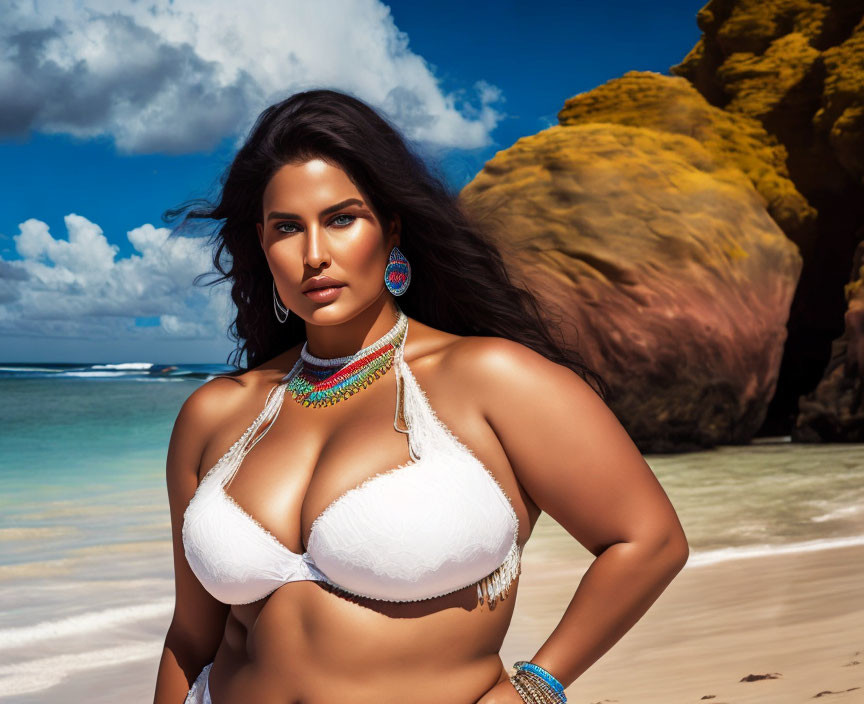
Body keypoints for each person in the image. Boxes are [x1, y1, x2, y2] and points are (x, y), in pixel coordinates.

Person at [152, 88, 689, 704]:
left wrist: (536, 689)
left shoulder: (492, 378)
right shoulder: (216, 412)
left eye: (341, 218)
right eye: (287, 228)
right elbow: (190, 638)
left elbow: (647, 540)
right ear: (263, 244)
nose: (314, 255)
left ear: (392, 229)